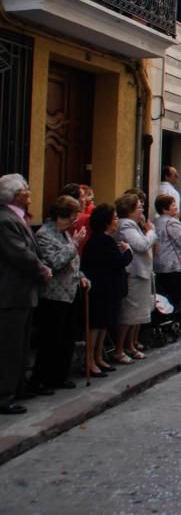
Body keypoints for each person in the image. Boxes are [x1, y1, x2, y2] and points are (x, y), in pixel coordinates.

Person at [0, 175, 53, 413]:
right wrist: (42, 268)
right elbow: (19, 253)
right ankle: (4, 395)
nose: (30, 193)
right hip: (11, 292)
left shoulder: (16, 218)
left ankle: (18, 387)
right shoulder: (5, 220)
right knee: (10, 346)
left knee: (20, 344)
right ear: (17, 195)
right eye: (26, 190)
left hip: (23, 292)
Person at [31, 196, 89, 392]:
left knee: (66, 338)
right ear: (60, 215)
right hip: (53, 295)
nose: (74, 221)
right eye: (72, 217)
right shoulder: (44, 235)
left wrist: (81, 275)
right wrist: (74, 243)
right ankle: (42, 379)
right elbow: (56, 262)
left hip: (70, 293)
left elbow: (73, 262)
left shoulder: (64, 233)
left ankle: (58, 376)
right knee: (50, 340)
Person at [80, 203, 132, 379]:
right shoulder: (101, 240)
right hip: (100, 288)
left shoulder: (105, 239)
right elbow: (117, 262)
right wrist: (128, 252)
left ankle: (98, 357)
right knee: (96, 325)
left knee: (103, 324)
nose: (117, 221)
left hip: (107, 288)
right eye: (115, 218)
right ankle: (90, 360)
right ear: (107, 222)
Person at [114, 193, 156, 364]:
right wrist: (151, 232)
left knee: (137, 314)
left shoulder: (133, 225)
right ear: (130, 210)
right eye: (139, 207)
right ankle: (119, 349)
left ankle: (130, 345)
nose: (142, 209)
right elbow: (141, 245)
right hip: (133, 274)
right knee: (129, 314)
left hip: (141, 273)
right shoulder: (126, 226)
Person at [152, 194, 181, 335]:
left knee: (165, 297)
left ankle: (166, 324)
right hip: (173, 265)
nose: (175, 206)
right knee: (175, 296)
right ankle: (177, 325)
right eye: (172, 205)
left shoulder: (156, 222)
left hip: (159, 265)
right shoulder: (172, 222)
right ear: (165, 209)